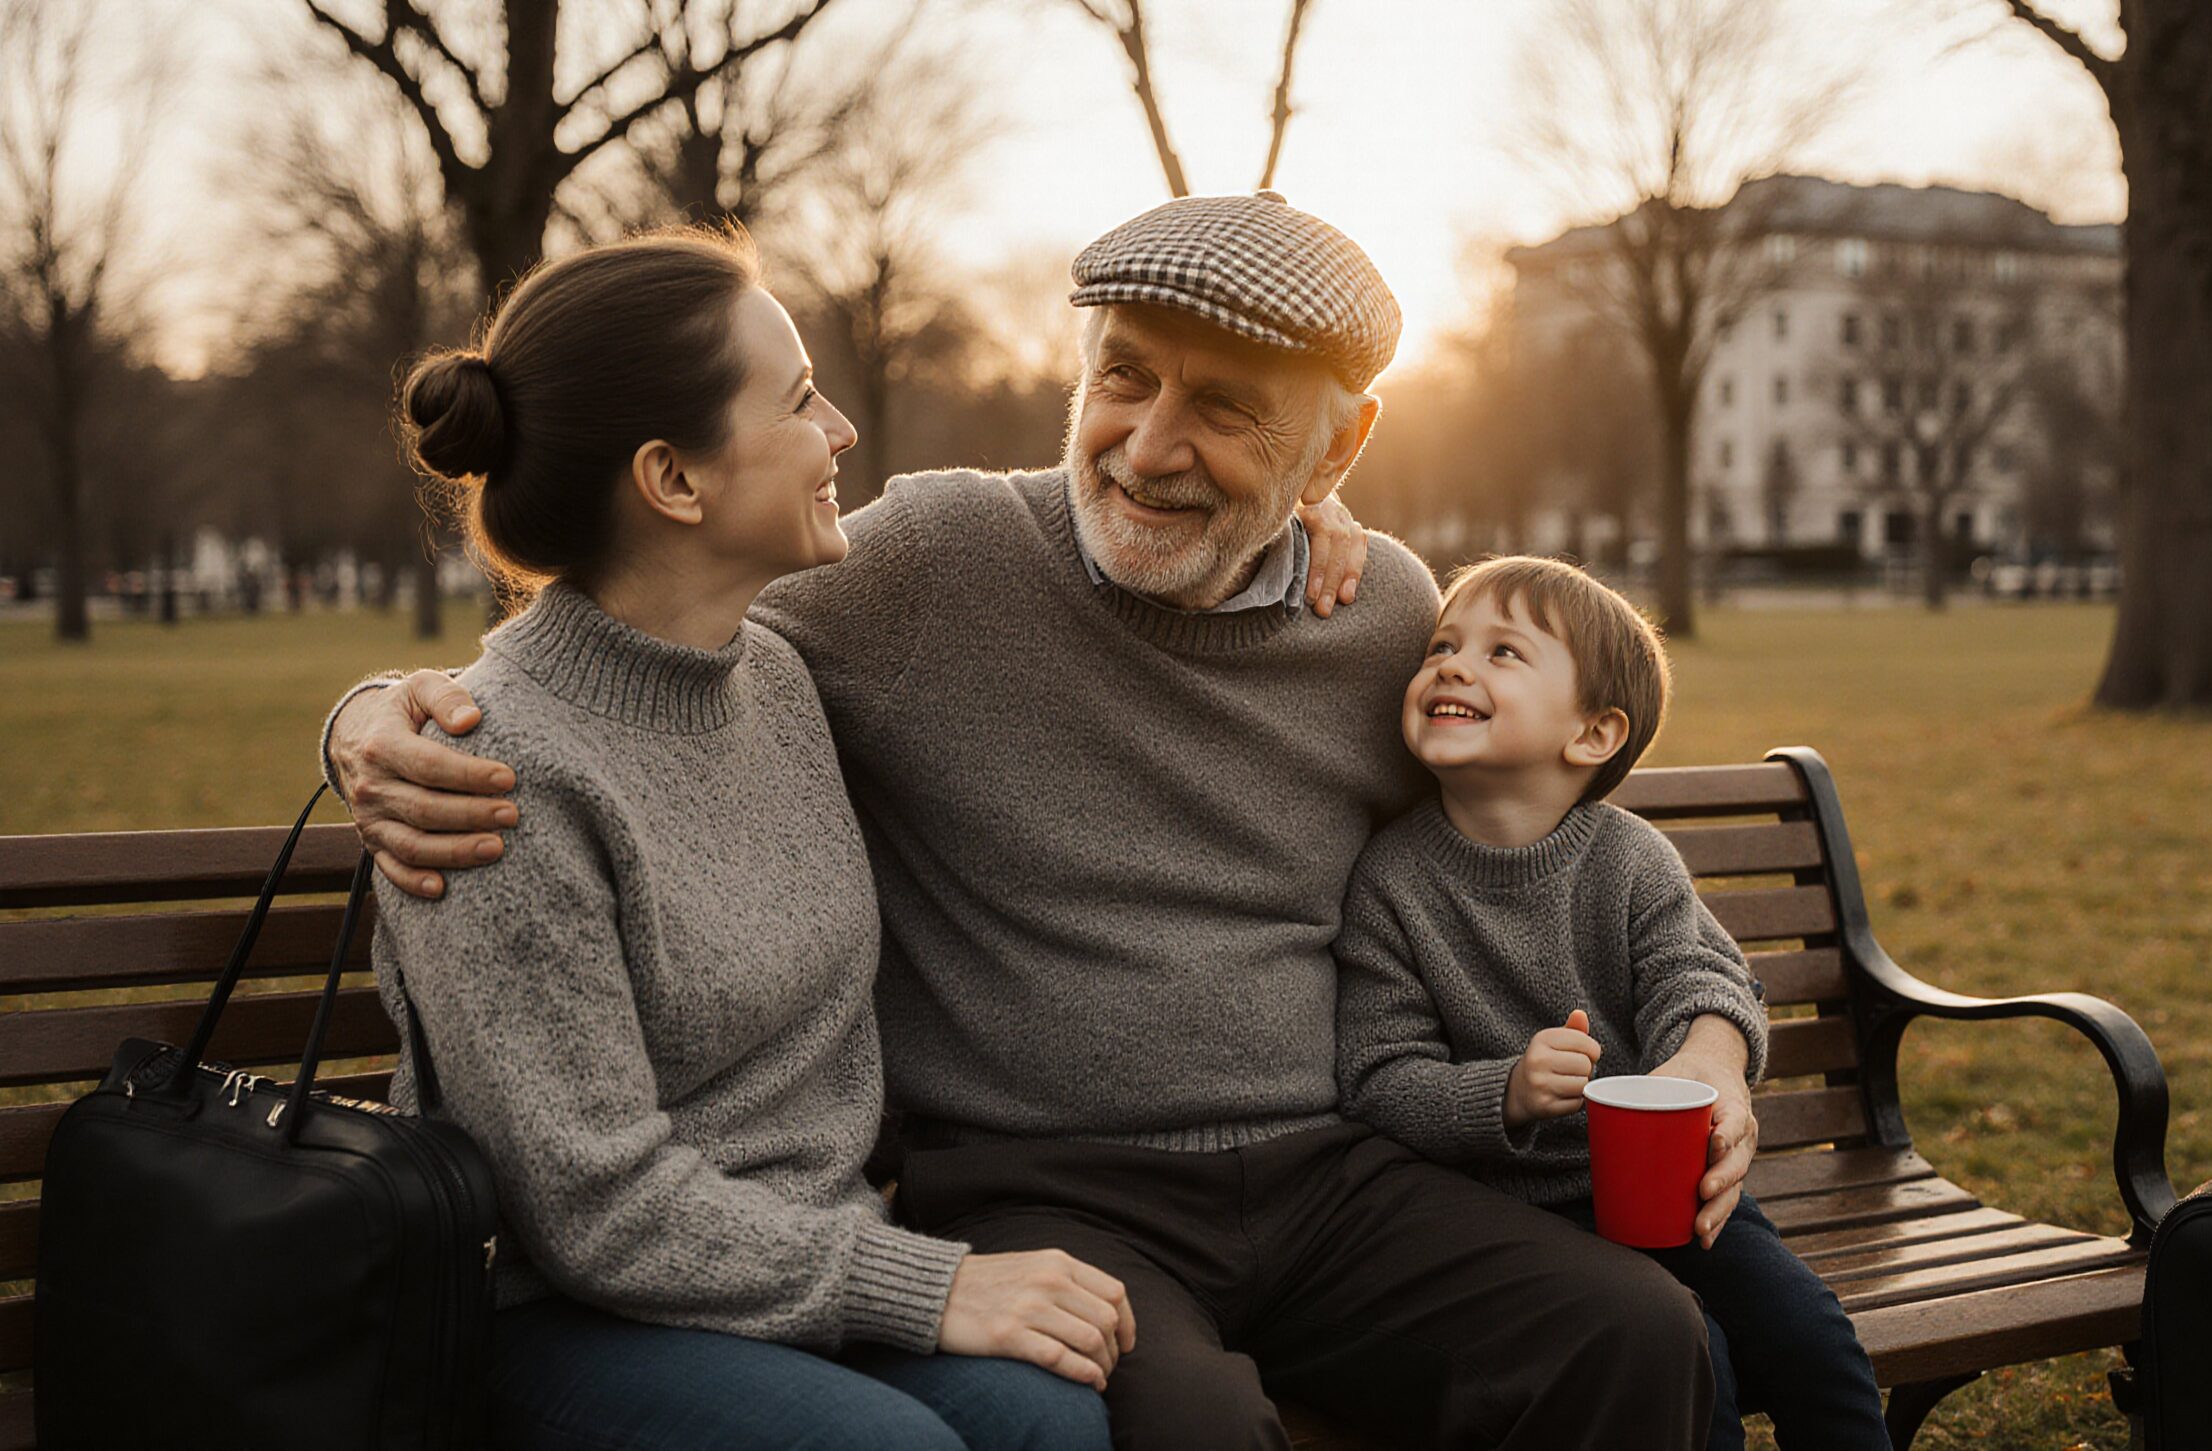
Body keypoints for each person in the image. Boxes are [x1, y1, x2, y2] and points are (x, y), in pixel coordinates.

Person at [324, 192, 1721, 1450]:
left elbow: (1565, 846)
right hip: (1042, 1184)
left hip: (1330, 1166)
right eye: (1122, 376)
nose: (1147, 445)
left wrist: (1712, 1045)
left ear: (1339, 443)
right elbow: (638, 617)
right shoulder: (932, 563)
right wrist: (375, 714)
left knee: (1640, 1332)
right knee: (1176, 1416)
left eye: (1229, 410)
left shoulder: (1389, 621)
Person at [366, 227, 1116, 1451]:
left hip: (801, 1260)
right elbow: (588, 1206)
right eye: (799, 399)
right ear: (673, 479)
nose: (842, 434)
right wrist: (927, 1285)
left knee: (1047, 1414)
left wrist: (1312, 511)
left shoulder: (772, 670)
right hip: (573, 1310)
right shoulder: (495, 772)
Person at [1333, 554, 1895, 1450]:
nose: (1450, 664)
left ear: (1592, 734)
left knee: (1812, 1343)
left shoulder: (1627, 859)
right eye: (1443, 644)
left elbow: (1698, 973)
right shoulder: (1390, 883)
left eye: (1503, 653)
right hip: (1520, 1225)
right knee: (1688, 1359)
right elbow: (1378, 1077)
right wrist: (1504, 1090)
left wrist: (1702, 1063)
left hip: (1669, 1195)